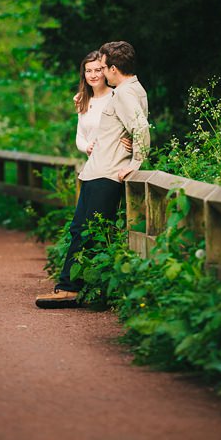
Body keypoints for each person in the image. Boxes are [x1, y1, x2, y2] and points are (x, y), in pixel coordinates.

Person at [36, 40, 150, 309]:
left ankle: (70, 289)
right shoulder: (129, 90)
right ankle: (80, 287)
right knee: (80, 230)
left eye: (103, 66)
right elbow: (131, 127)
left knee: (89, 232)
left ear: (112, 68)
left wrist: (137, 161)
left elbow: (141, 127)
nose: (99, 72)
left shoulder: (123, 93)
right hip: (95, 170)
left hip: (108, 173)